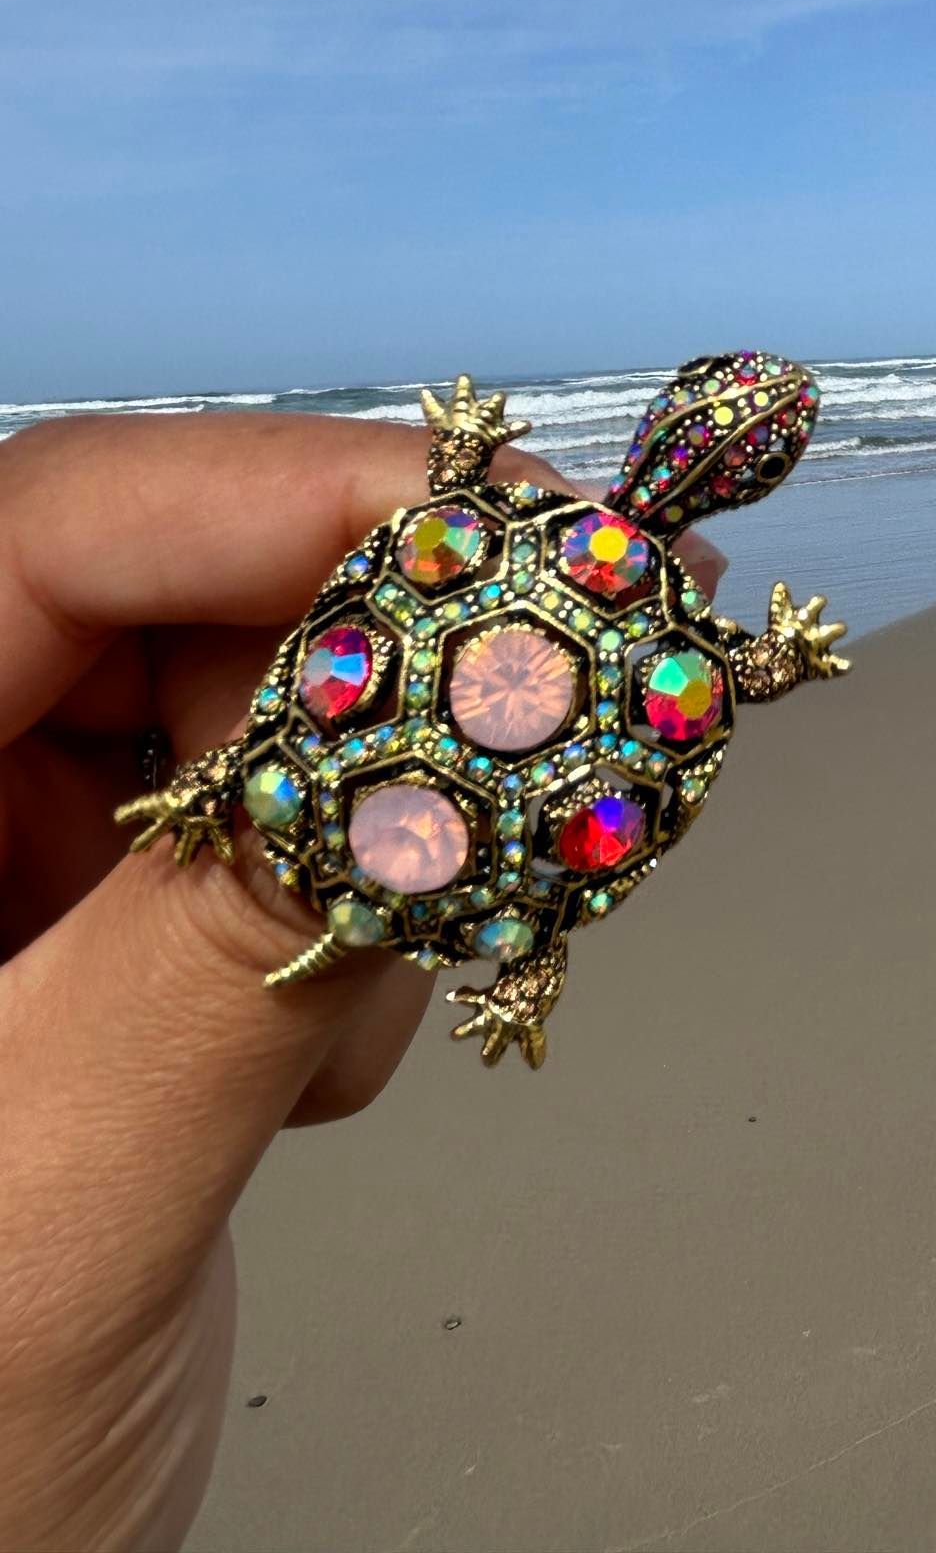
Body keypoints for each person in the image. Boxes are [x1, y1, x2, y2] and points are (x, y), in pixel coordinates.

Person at [0, 411, 723, 1552]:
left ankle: (226, 809)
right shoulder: (676, 633)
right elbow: (733, 685)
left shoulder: (497, 524)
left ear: (659, 433)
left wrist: (465, 442)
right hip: (468, 835)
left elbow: (436, 510)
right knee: (538, 899)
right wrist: (785, 648)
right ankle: (520, 976)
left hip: (346, 764)